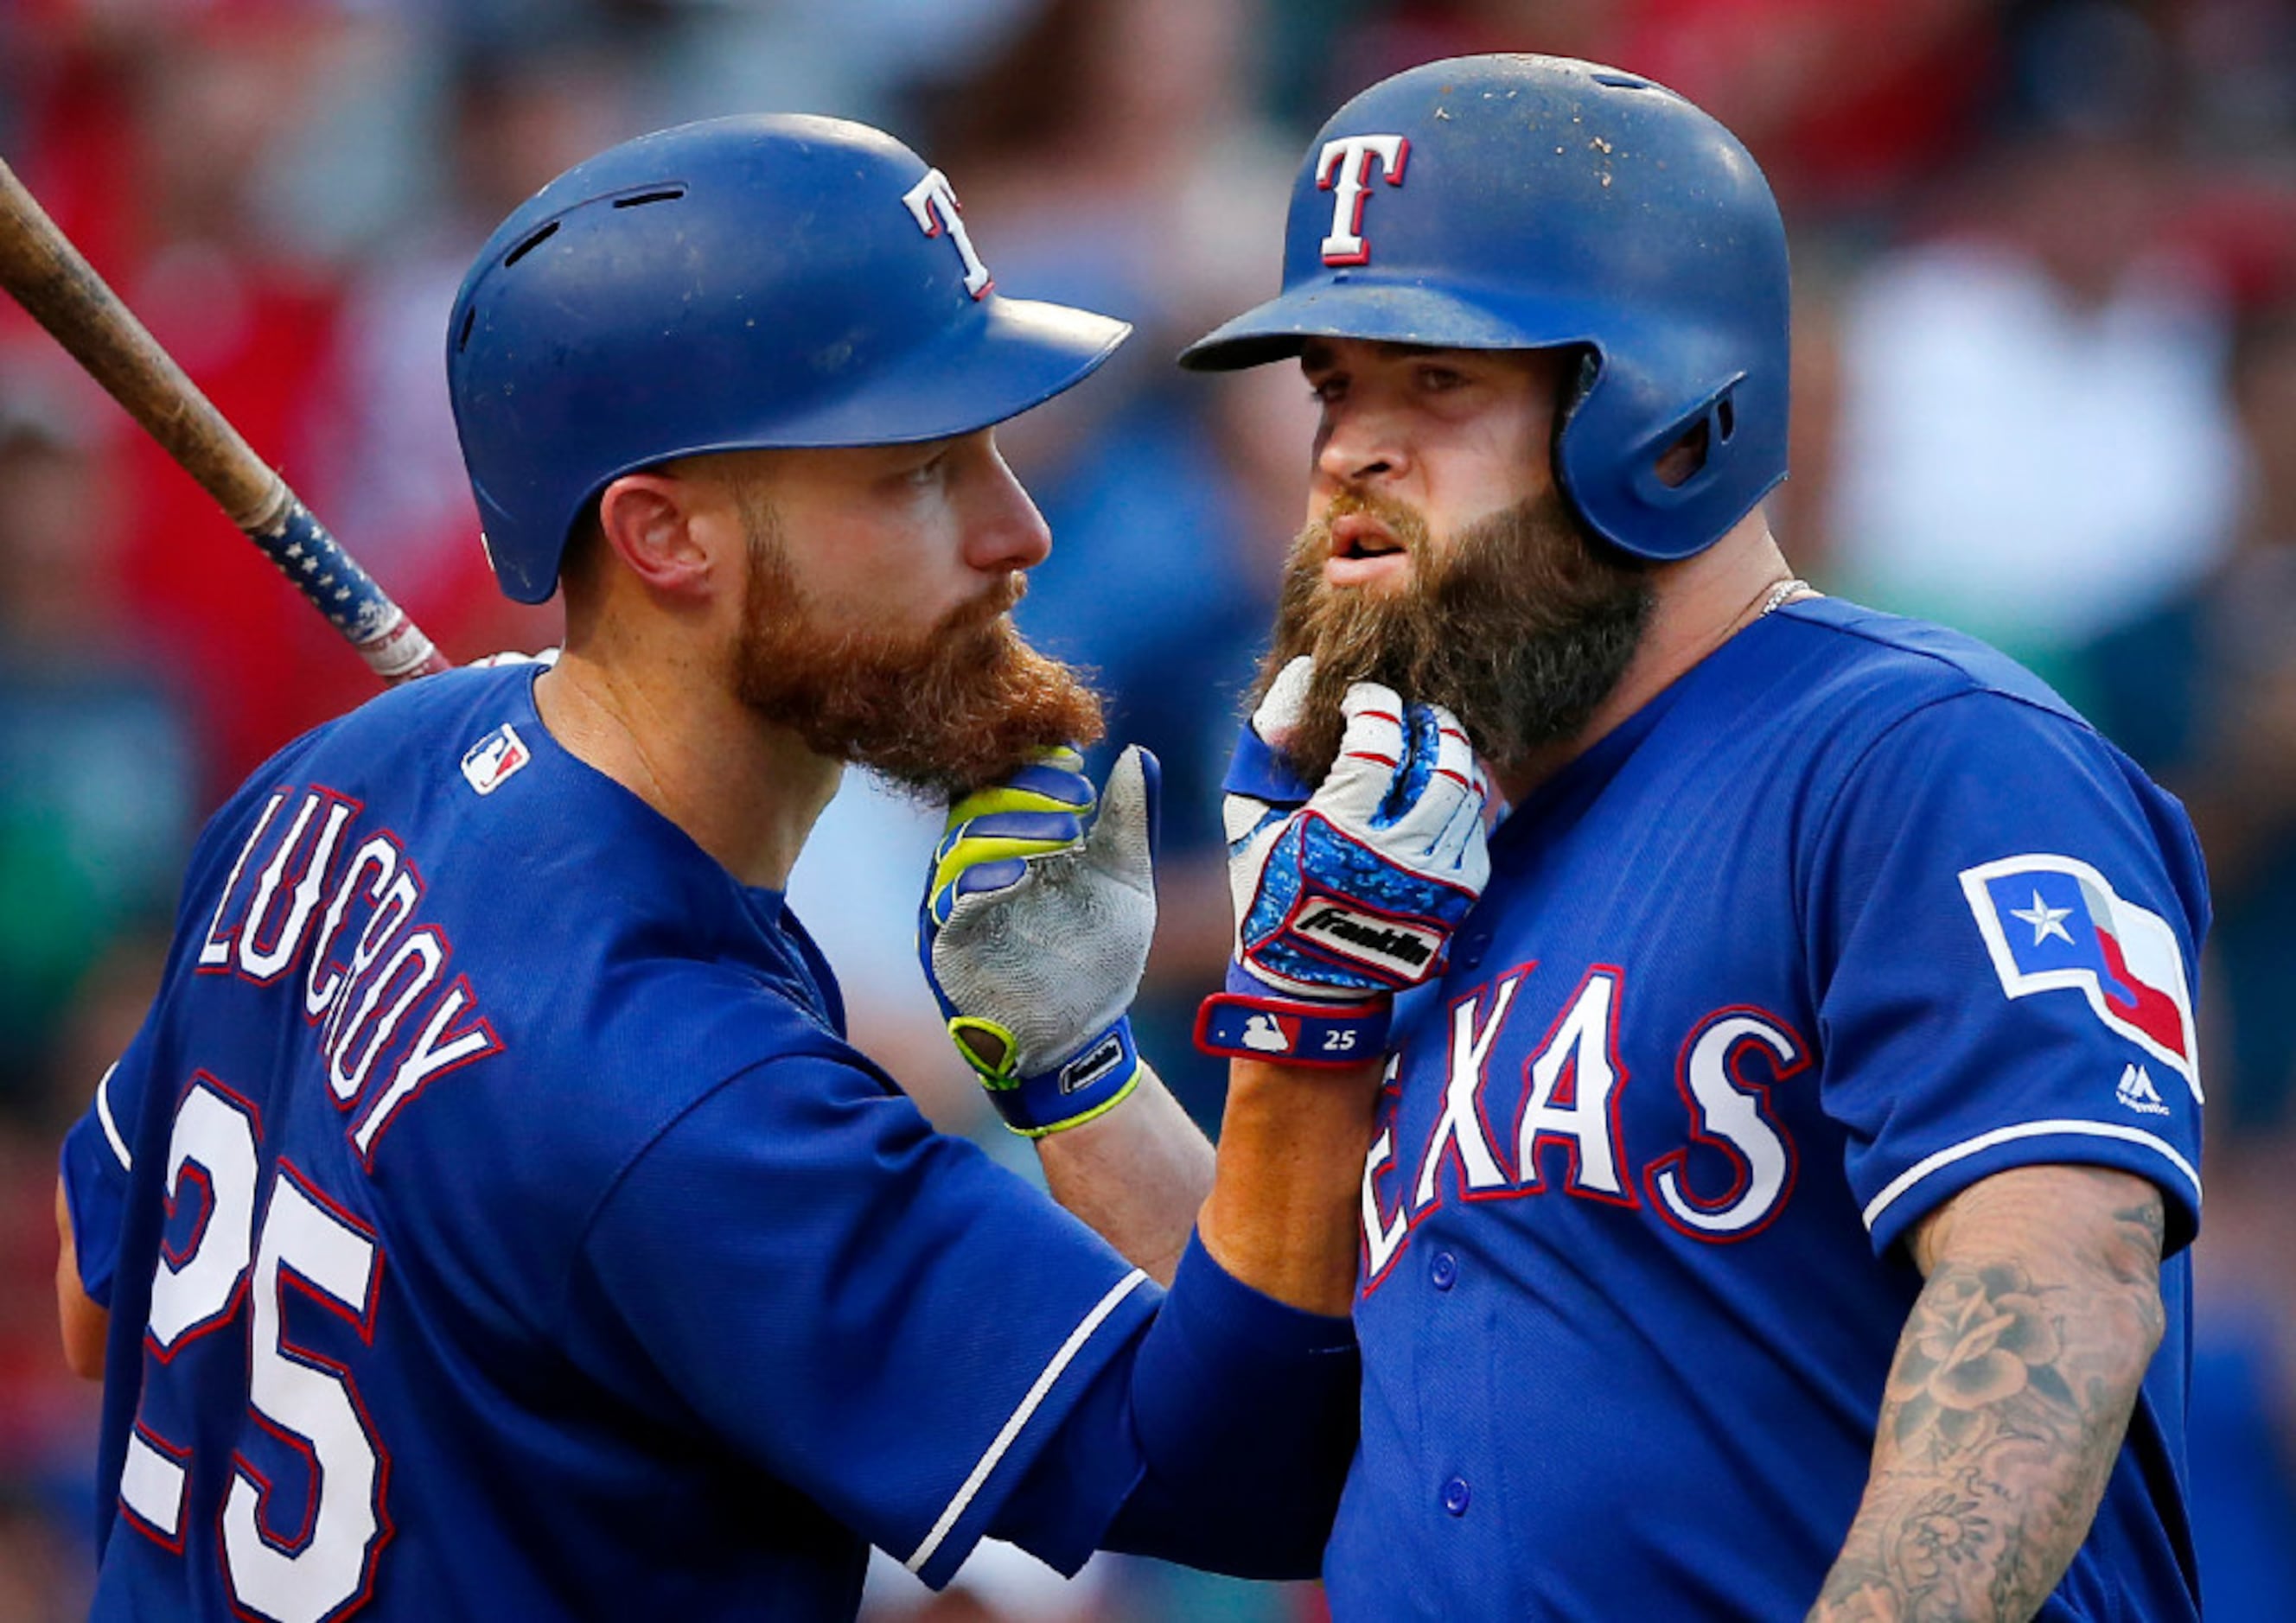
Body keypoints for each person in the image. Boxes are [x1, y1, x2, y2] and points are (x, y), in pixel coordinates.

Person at [50, 115, 1493, 1620]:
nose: (1020, 528)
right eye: (921, 470)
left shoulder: (339, 779)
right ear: (664, 534)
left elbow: (105, 1308)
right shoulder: (691, 1092)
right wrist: (1197, 1059)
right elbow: (1292, 1471)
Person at [1177, 54, 2206, 1620]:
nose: (1347, 454)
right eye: (1332, 385)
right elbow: (1270, 1442)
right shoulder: (1431, 867)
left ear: (1668, 415)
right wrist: (1097, 1074)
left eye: (1437, 379)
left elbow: (2057, 1280)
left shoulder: (1926, 756)